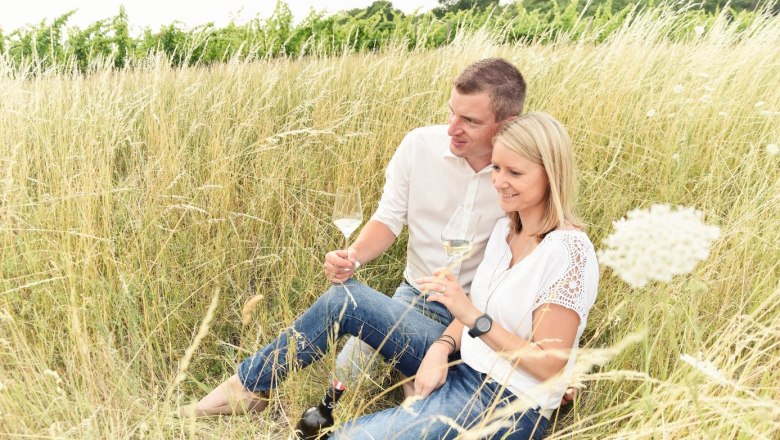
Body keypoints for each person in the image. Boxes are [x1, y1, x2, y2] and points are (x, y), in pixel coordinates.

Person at [179, 112, 599, 440]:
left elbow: (550, 366)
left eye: (515, 173)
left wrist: (471, 317)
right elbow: (471, 314)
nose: (500, 183)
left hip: (507, 401)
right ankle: (247, 390)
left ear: (551, 173)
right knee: (347, 297)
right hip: (462, 361)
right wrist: (440, 347)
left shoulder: (569, 251)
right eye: (497, 169)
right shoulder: (505, 229)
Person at [176, 58, 527, 418]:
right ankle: (398, 369)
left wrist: (555, 363)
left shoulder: (522, 178)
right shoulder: (419, 146)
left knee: (346, 304)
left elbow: (540, 272)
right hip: (412, 297)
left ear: (507, 125)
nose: (453, 128)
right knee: (346, 377)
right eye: (452, 112)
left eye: (470, 121)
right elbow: (388, 220)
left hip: (470, 321)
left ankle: (249, 389)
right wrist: (354, 257)